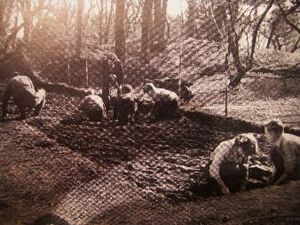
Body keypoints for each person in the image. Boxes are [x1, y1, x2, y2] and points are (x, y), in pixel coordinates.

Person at [265, 119, 300, 185]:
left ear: (276, 132)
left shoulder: (287, 144)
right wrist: (273, 175)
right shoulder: (279, 139)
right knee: (273, 152)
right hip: (296, 162)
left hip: (296, 166)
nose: (267, 135)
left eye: (267, 133)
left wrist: (275, 185)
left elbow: (289, 171)